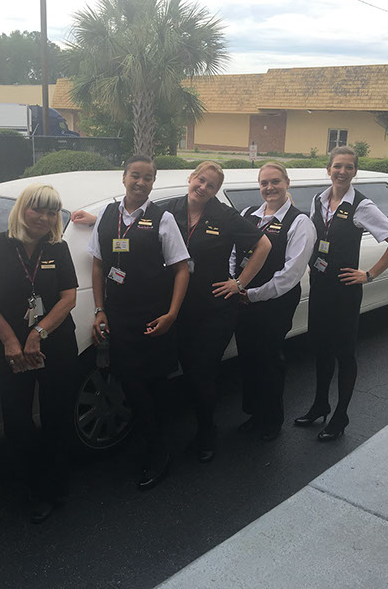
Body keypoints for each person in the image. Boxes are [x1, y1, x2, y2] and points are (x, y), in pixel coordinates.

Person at [72, 162, 271, 463]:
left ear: (216, 191)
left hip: (212, 309)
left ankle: (207, 433)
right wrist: (95, 219)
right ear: (190, 178)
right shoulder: (171, 209)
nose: (203, 188)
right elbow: (133, 214)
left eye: (211, 186)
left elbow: (263, 245)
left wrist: (239, 283)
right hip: (174, 306)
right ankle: (169, 434)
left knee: (200, 373)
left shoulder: (225, 215)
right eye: (200, 180)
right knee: (169, 371)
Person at [0, 183, 78, 524]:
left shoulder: (58, 248)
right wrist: (10, 340)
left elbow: (68, 298)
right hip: (12, 345)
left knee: (57, 417)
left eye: (51, 212)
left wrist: (38, 333)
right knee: (17, 421)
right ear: (22, 209)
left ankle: (55, 486)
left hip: (55, 343)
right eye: (38, 210)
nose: (44, 218)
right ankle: (33, 486)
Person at [87, 155, 190, 491]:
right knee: (131, 382)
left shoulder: (163, 219)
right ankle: (154, 443)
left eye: (148, 178)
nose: (141, 182)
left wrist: (172, 315)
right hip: (119, 316)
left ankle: (159, 451)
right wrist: (99, 309)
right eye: (135, 175)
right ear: (124, 177)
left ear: (153, 183)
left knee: (156, 384)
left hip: (154, 316)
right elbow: (99, 265)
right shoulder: (107, 214)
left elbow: (181, 269)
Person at [294, 146, 388, 440]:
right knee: (321, 349)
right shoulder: (318, 201)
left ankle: (340, 416)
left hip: (345, 291)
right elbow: (314, 239)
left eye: (348, 167)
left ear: (355, 171)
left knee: (344, 353)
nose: (342, 172)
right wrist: (311, 265)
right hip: (321, 287)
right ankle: (320, 405)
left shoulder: (361, 205)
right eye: (337, 166)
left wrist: (369, 274)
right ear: (328, 169)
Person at [232, 162, 317, 442]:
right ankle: (254, 414)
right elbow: (233, 252)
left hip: (275, 303)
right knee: (248, 357)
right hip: (243, 297)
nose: (270, 188)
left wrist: (252, 294)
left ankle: (271, 419)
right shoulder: (248, 215)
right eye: (264, 183)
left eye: (275, 182)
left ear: (287, 183)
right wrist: (236, 283)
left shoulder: (300, 222)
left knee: (269, 359)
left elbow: (291, 273)